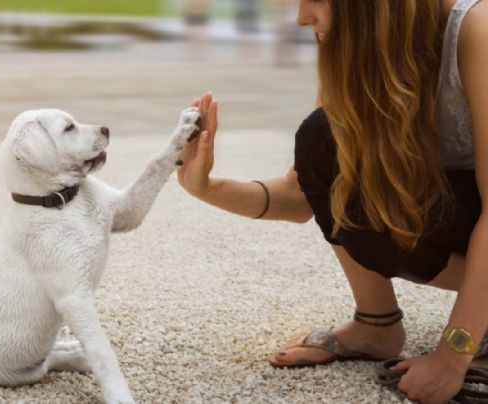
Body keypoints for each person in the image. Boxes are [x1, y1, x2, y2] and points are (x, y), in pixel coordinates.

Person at [178, 0, 487, 402]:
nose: (301, 17)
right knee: (324, 140)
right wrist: (205, 187)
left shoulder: (476, 28)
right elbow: (303, 194)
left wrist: (452, 355)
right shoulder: (369, 49)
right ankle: (377, 324)